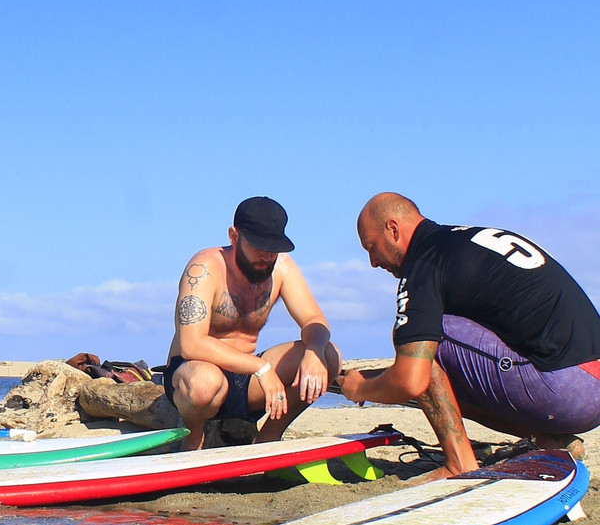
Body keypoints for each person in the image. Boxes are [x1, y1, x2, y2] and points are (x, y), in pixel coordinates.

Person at [337, 192, 600, 480]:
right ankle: (549, 440)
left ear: (393, 229)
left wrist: (359, 388)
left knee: (422, 343)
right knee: (440, 374)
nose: (373, 262)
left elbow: (411, 379)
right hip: (586, 388)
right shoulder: (462, 241)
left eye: (372, 247)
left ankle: (458, 463)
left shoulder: (425, 262)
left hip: (563, 390)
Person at [164, 196, 341, 451]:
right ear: (234, 237)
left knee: (329, 354)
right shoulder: (204, 268)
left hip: (246, 381)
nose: (266, 256)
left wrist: (314, 352)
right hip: (194, 373)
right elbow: (191, 344)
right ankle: (194, 434)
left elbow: (314, 319)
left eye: (273, 247)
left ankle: (268, 436)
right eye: (258, 246)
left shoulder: (281, 267)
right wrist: (262, 368)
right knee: (205, 383)